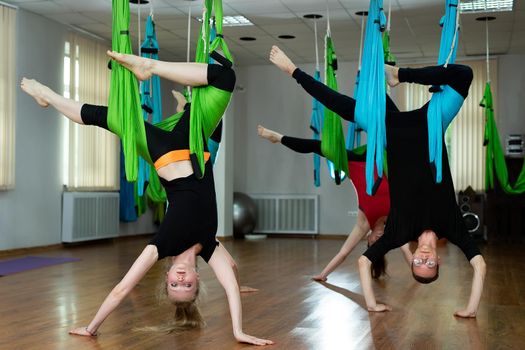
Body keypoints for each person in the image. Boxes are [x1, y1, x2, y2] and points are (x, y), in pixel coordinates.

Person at [21, 51, 273, 345]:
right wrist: (238, 331)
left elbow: (122, 288)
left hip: (165, 153)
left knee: (113, 118)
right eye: (187, 285)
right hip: (193, 143)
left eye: (174, 285)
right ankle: (148, 75)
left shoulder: (162, 244)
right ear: (198, 280)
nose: (180, 279)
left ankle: (49, 94)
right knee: (223, 78)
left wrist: (91, 327)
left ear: (166, 280)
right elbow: (230, 279)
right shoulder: (210, 246)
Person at [269, 45, 486, 318]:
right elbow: (479, 265)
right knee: (463, 74)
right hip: (431, 122)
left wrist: (370, 304)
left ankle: (293, 71)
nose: (423, 257)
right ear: (437, 261)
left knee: (340, 104)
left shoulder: (399, 232)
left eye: (417, 262)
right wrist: (470, 308)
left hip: (390, 128)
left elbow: (362, 262)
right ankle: (399, 74)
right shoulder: (453, 227)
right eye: (428, 263)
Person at [257, 126, 412, 281]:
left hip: (353, 163)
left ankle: (277, 137)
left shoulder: (363, 223)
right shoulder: (395, 223)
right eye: (382, 244)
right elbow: (407, 252)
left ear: (368, 239)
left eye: (374, 244)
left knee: (319, 147)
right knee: (393, 138)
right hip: (379, 158)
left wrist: (323, 275)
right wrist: (418, 270)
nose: (379, 240)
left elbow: (343, 252)